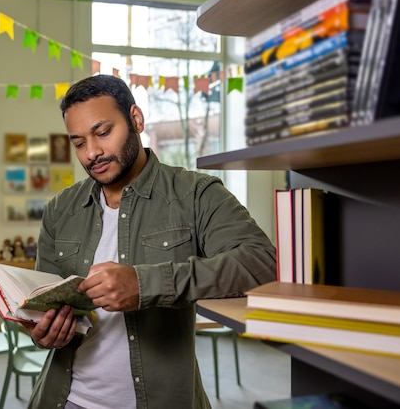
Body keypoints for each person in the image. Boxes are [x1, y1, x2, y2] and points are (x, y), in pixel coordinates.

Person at [25, 75, 276, 409]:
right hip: (65, 400)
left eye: (103, 132)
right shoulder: (59, 210)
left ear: (136, 119)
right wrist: (42, 332)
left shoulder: (195, 194)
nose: (92, 152)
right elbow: (41, 308)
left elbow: (262, 263)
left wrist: (145, 284)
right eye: (79, 142)